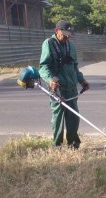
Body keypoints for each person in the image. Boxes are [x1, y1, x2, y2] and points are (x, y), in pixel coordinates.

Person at [39, 20, 90, 149]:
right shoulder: (48, 44)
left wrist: (82, 80)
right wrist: (50, 80)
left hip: (72, 88)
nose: (68, 37)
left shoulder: (71, 45)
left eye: (69, 34)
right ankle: (57, 146)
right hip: (58, 88)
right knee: (58, 119)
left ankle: (73, 145)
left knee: (73, 118)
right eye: (65, 34)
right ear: (57, 31)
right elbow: (44, 67)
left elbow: (74, 66)